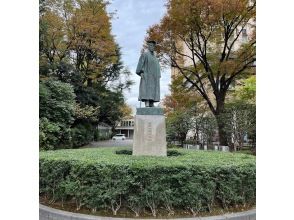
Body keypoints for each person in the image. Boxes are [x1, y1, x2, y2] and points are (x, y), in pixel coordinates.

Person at [136, 40, 161, 107]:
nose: (152, 47)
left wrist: (158, 75)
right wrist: (140, 72)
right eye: (150, 45)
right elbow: (140, 64)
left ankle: (151, 102)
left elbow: (158, 67)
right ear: (148, 46)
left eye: (153, 46)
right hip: (146, 75)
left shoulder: (155, 58)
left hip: (154, 76)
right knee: (146, 89)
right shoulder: (145, 55)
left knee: (153, 89)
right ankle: (147, 102)